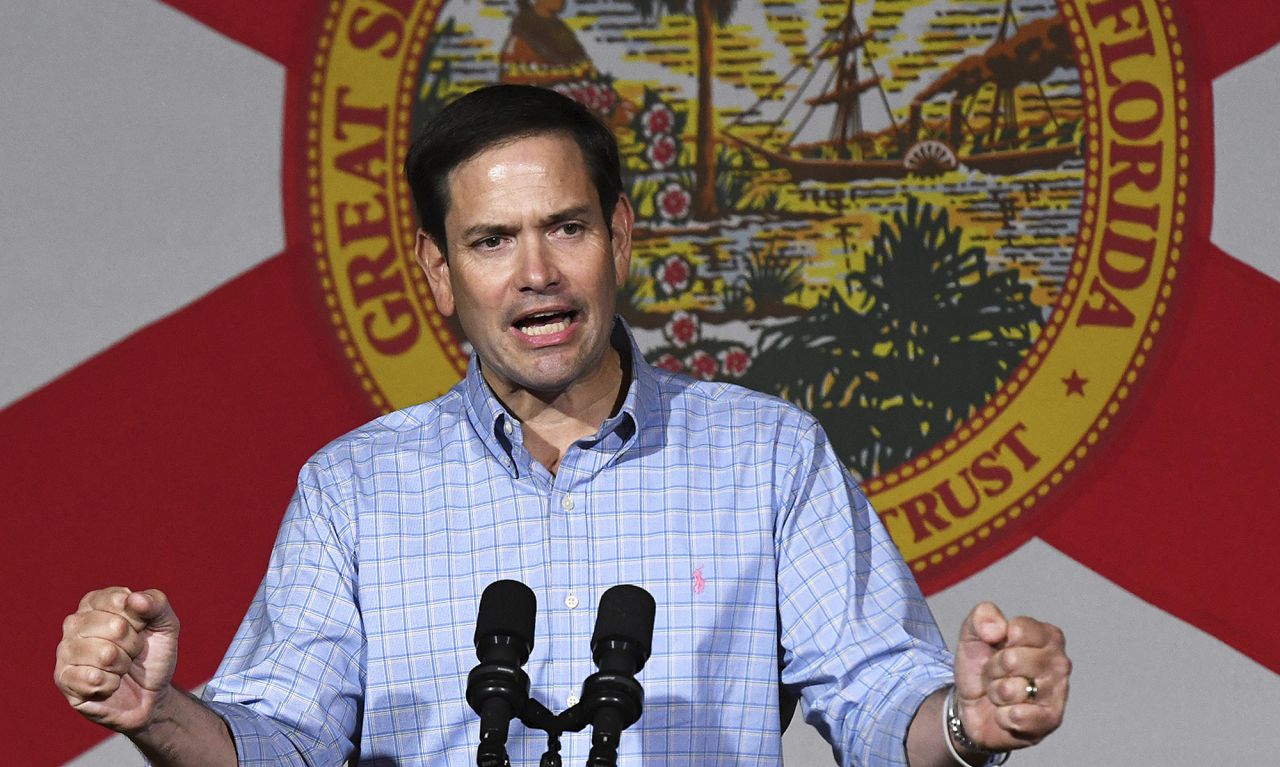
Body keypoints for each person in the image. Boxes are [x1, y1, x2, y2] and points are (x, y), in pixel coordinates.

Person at [54, 84, 1069, 766]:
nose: (535, 273)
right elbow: (283, 737)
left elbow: (874, 691)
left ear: (618, 237)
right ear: (439, 274)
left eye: (565, 227)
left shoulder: (769, 455)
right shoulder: (355, 486)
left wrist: (962, 719)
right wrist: (162, 711)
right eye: (491, 240)